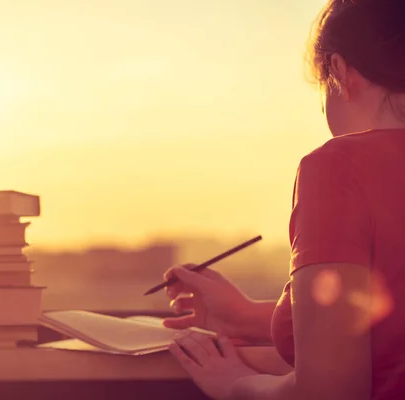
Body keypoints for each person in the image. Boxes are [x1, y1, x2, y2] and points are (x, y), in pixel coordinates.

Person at [163, 0, 405, 399]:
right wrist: (245, 317)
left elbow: (330, 392)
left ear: (340, 72)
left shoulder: (341, 166)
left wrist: (236, 385)